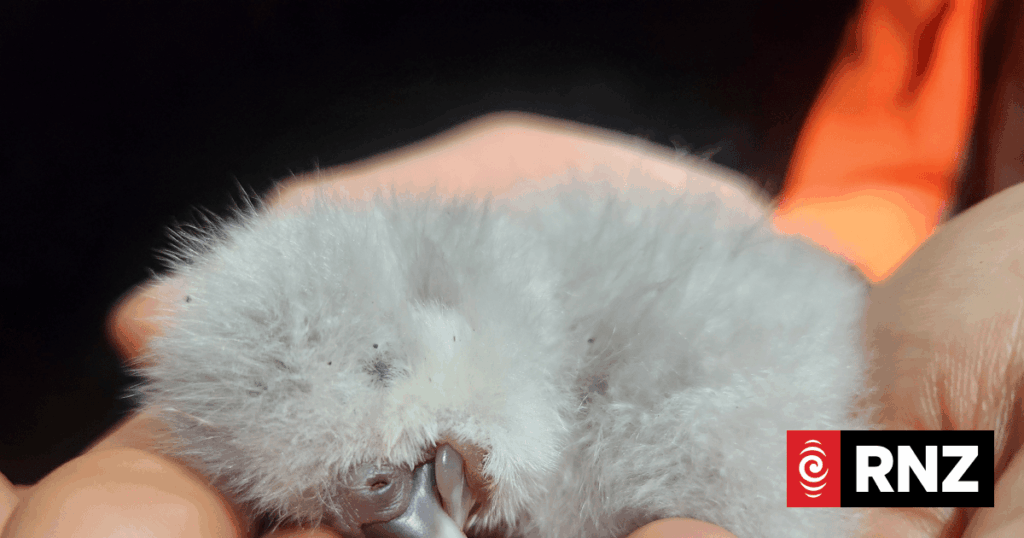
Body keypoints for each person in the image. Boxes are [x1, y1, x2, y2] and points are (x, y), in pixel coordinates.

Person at [2, 112, 1023, 538]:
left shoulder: (729, 412)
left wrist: (956, 463)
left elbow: (843, 463)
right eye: (368, 503)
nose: (411, 522)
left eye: (389, 484)